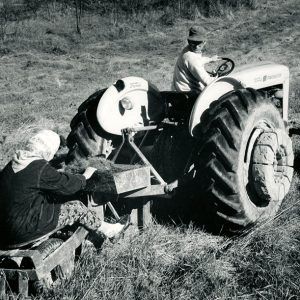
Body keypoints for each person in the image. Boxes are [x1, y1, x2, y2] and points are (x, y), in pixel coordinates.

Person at [0, 129, 128, 249]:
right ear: (47, 151)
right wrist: (84, 176)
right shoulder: (39, 168)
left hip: (4, 232)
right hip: (23, 231)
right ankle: (109, 231)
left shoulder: (12, 164)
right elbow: (67, 186)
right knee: (76, 207)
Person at [172, 26, 220, 94]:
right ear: (189, 41)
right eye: (193, 42)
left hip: (179, 90)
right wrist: (217, 76)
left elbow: (198, 60)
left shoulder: (188, 50)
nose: (196, 47)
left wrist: (210, 59)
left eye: (199, 43)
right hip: (189, 94)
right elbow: (209, 83)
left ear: (204, 42)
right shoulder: (192, 58)